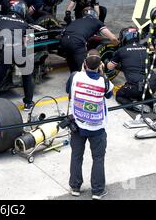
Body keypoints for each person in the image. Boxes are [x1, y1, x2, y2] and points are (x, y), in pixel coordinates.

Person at [66, 49, 113, 200]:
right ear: (100, 65)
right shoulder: (105, 82)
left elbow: (68, 90)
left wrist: (82, 71)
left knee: (76, 156)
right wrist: (102, 74)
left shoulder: (75, 76)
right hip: (97, 127)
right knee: (98, 158)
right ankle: (97, 191)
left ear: (84, 63)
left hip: (78, 124)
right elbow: (109, 95)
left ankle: (75, 187)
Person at [0, 0, 34, 112]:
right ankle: (28, 103)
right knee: (27, 75)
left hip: (5, 49)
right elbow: (26, 43)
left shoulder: (0, 19)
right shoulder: (25, 23)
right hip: (20, 49)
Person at [106, 27, 156, 112]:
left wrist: (106, 61)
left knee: (119, 95)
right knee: (143, 91)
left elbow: (110, 67)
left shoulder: (121, 50)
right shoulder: (146, 48)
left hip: (136, 87)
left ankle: (135, 105)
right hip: (152, 85)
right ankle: (153, 102)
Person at [60, 7, 119, 73]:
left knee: (74, 68)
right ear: (94, 15)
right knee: (86, 69)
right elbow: (113, 38)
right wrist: (117, 46)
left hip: (64, 41)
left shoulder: (77, 21)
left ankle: (74, 81)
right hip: (77, 42)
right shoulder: (97, 22)